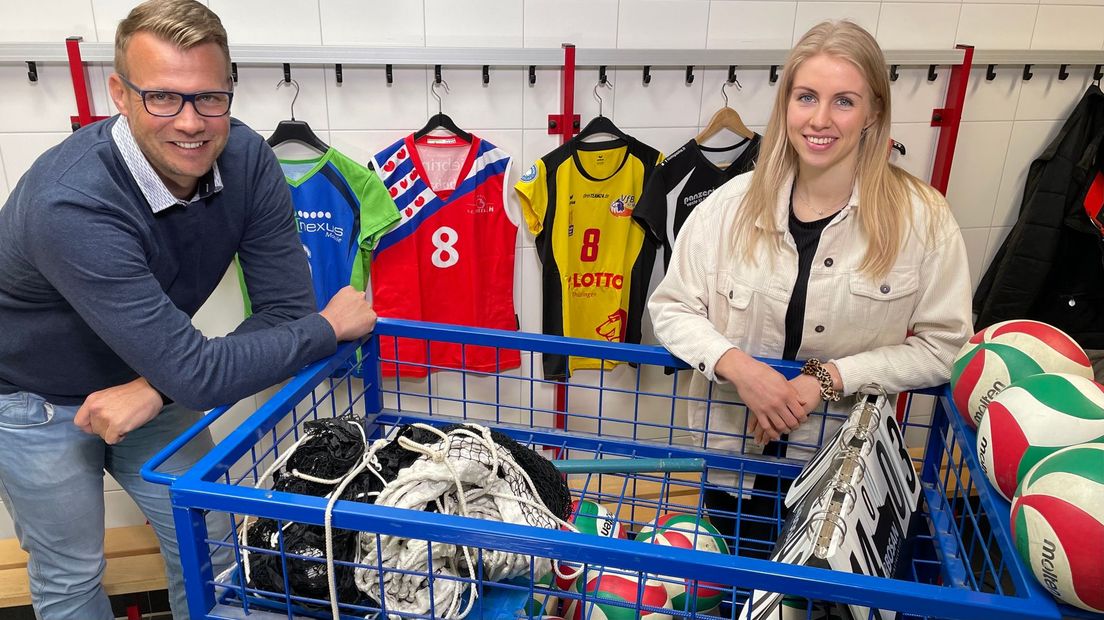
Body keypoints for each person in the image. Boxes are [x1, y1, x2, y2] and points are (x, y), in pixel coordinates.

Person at [0, 1, 377, 618]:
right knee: (71, 575)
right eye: (163, 98)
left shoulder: (249, 158)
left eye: (209, 97)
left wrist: (157, 387)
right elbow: (224, 361)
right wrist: (326, 329)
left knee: (214, 548)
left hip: (151, 376)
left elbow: (281, 311)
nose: (191, 122)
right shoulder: (71, 204)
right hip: (31, 400)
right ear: (119, 94)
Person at [648, 20, 972, 557]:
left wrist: (828, 379)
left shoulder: (923, 219)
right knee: (741, 582)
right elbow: (673, 307)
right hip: (734, 458)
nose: (820, 120)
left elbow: (946, 347)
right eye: (806, 97)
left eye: (843, 101)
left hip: (844, 472)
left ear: (873, 113)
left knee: (823, 604)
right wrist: (740, 367)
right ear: (785, 107)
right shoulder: (728, 206)